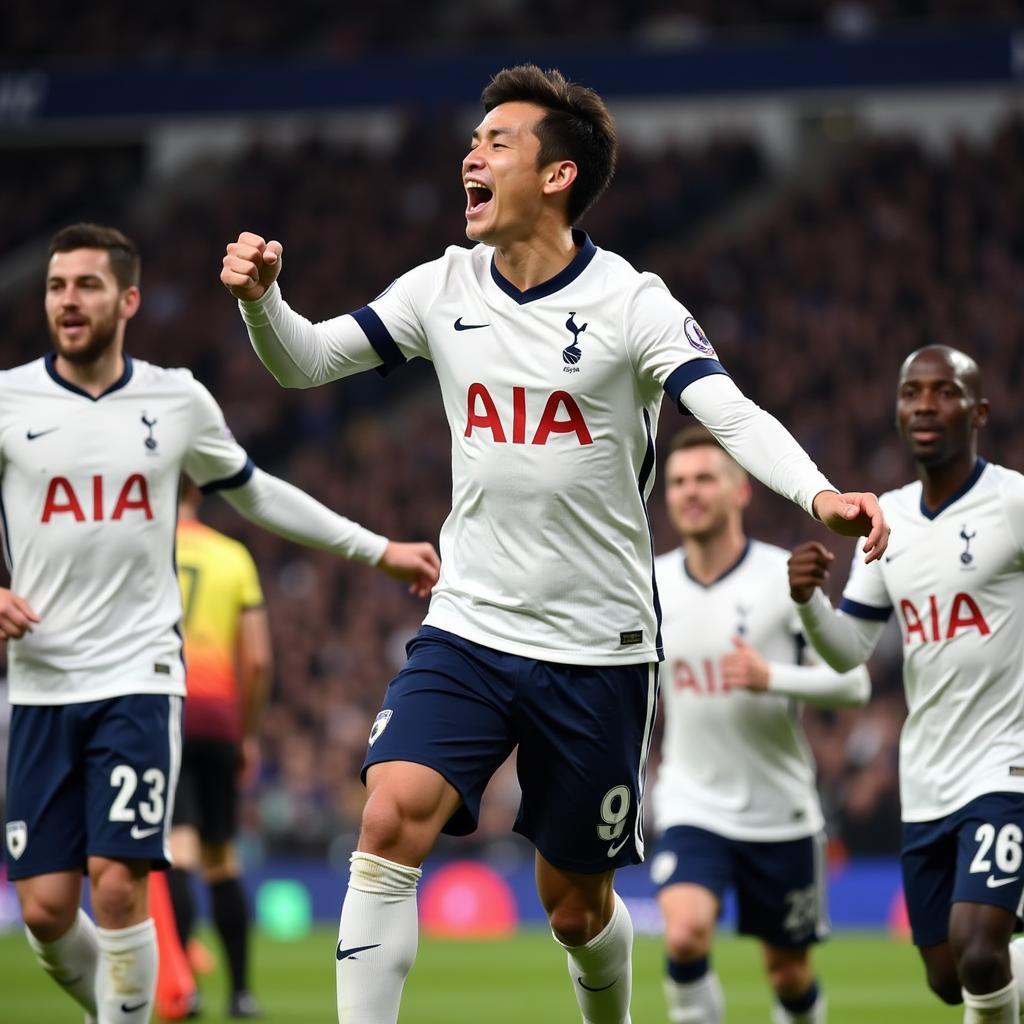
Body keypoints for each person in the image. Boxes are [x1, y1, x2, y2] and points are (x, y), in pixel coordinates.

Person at [220, 65, 889, 1024]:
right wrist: (263, 303)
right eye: (474, 140)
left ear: (558, 174)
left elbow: (726, 410)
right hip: (470, 623)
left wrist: (817, 492)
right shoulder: (441, 285)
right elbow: (309, 359)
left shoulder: (631, 302)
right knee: (387, 816)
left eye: (498, 142)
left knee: (575, 907)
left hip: (598, 648)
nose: (472, 154)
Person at [0, 222, 440, 1024]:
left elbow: (257, 491)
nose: (69, 300)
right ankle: (117, 1004)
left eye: (88, 285)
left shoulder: (174, 401)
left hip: (140, 678)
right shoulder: (9, 402)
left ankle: (131, 1013)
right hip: (37, 687)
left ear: (127, 299)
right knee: (46, 912)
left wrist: (377, 550)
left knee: (120, 881)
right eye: (57, 285)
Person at [787, 345, 1024, 1024]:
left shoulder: (1010, 503)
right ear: (896, 412)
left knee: (981, 953)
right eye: (911, 392)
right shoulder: (887, 518)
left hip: (1005, 768)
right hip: (926, 779)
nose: (924, 404)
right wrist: (809, 603)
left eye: (944, 392)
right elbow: (848, 652)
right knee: (950, 975)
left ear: (977, 412)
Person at [649, 426, 870, 1024]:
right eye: (678, 482)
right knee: (685, 936)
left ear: (739, 491)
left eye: (704, 479)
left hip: (780, 811)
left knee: (789, 973)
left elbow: (855, 683)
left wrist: (770, 676)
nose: (689, 492)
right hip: (692, 801)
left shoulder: (782, 576)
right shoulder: (651, 584)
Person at [163, 478, 270, 1019]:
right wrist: (246, 734)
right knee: (222, 858)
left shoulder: (145, 544)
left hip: (162, 711)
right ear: (198, 493)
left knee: (178, 852)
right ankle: (242, 993)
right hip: (218, 718)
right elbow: (256, 660)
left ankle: (185, 989)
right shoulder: (233, 557)